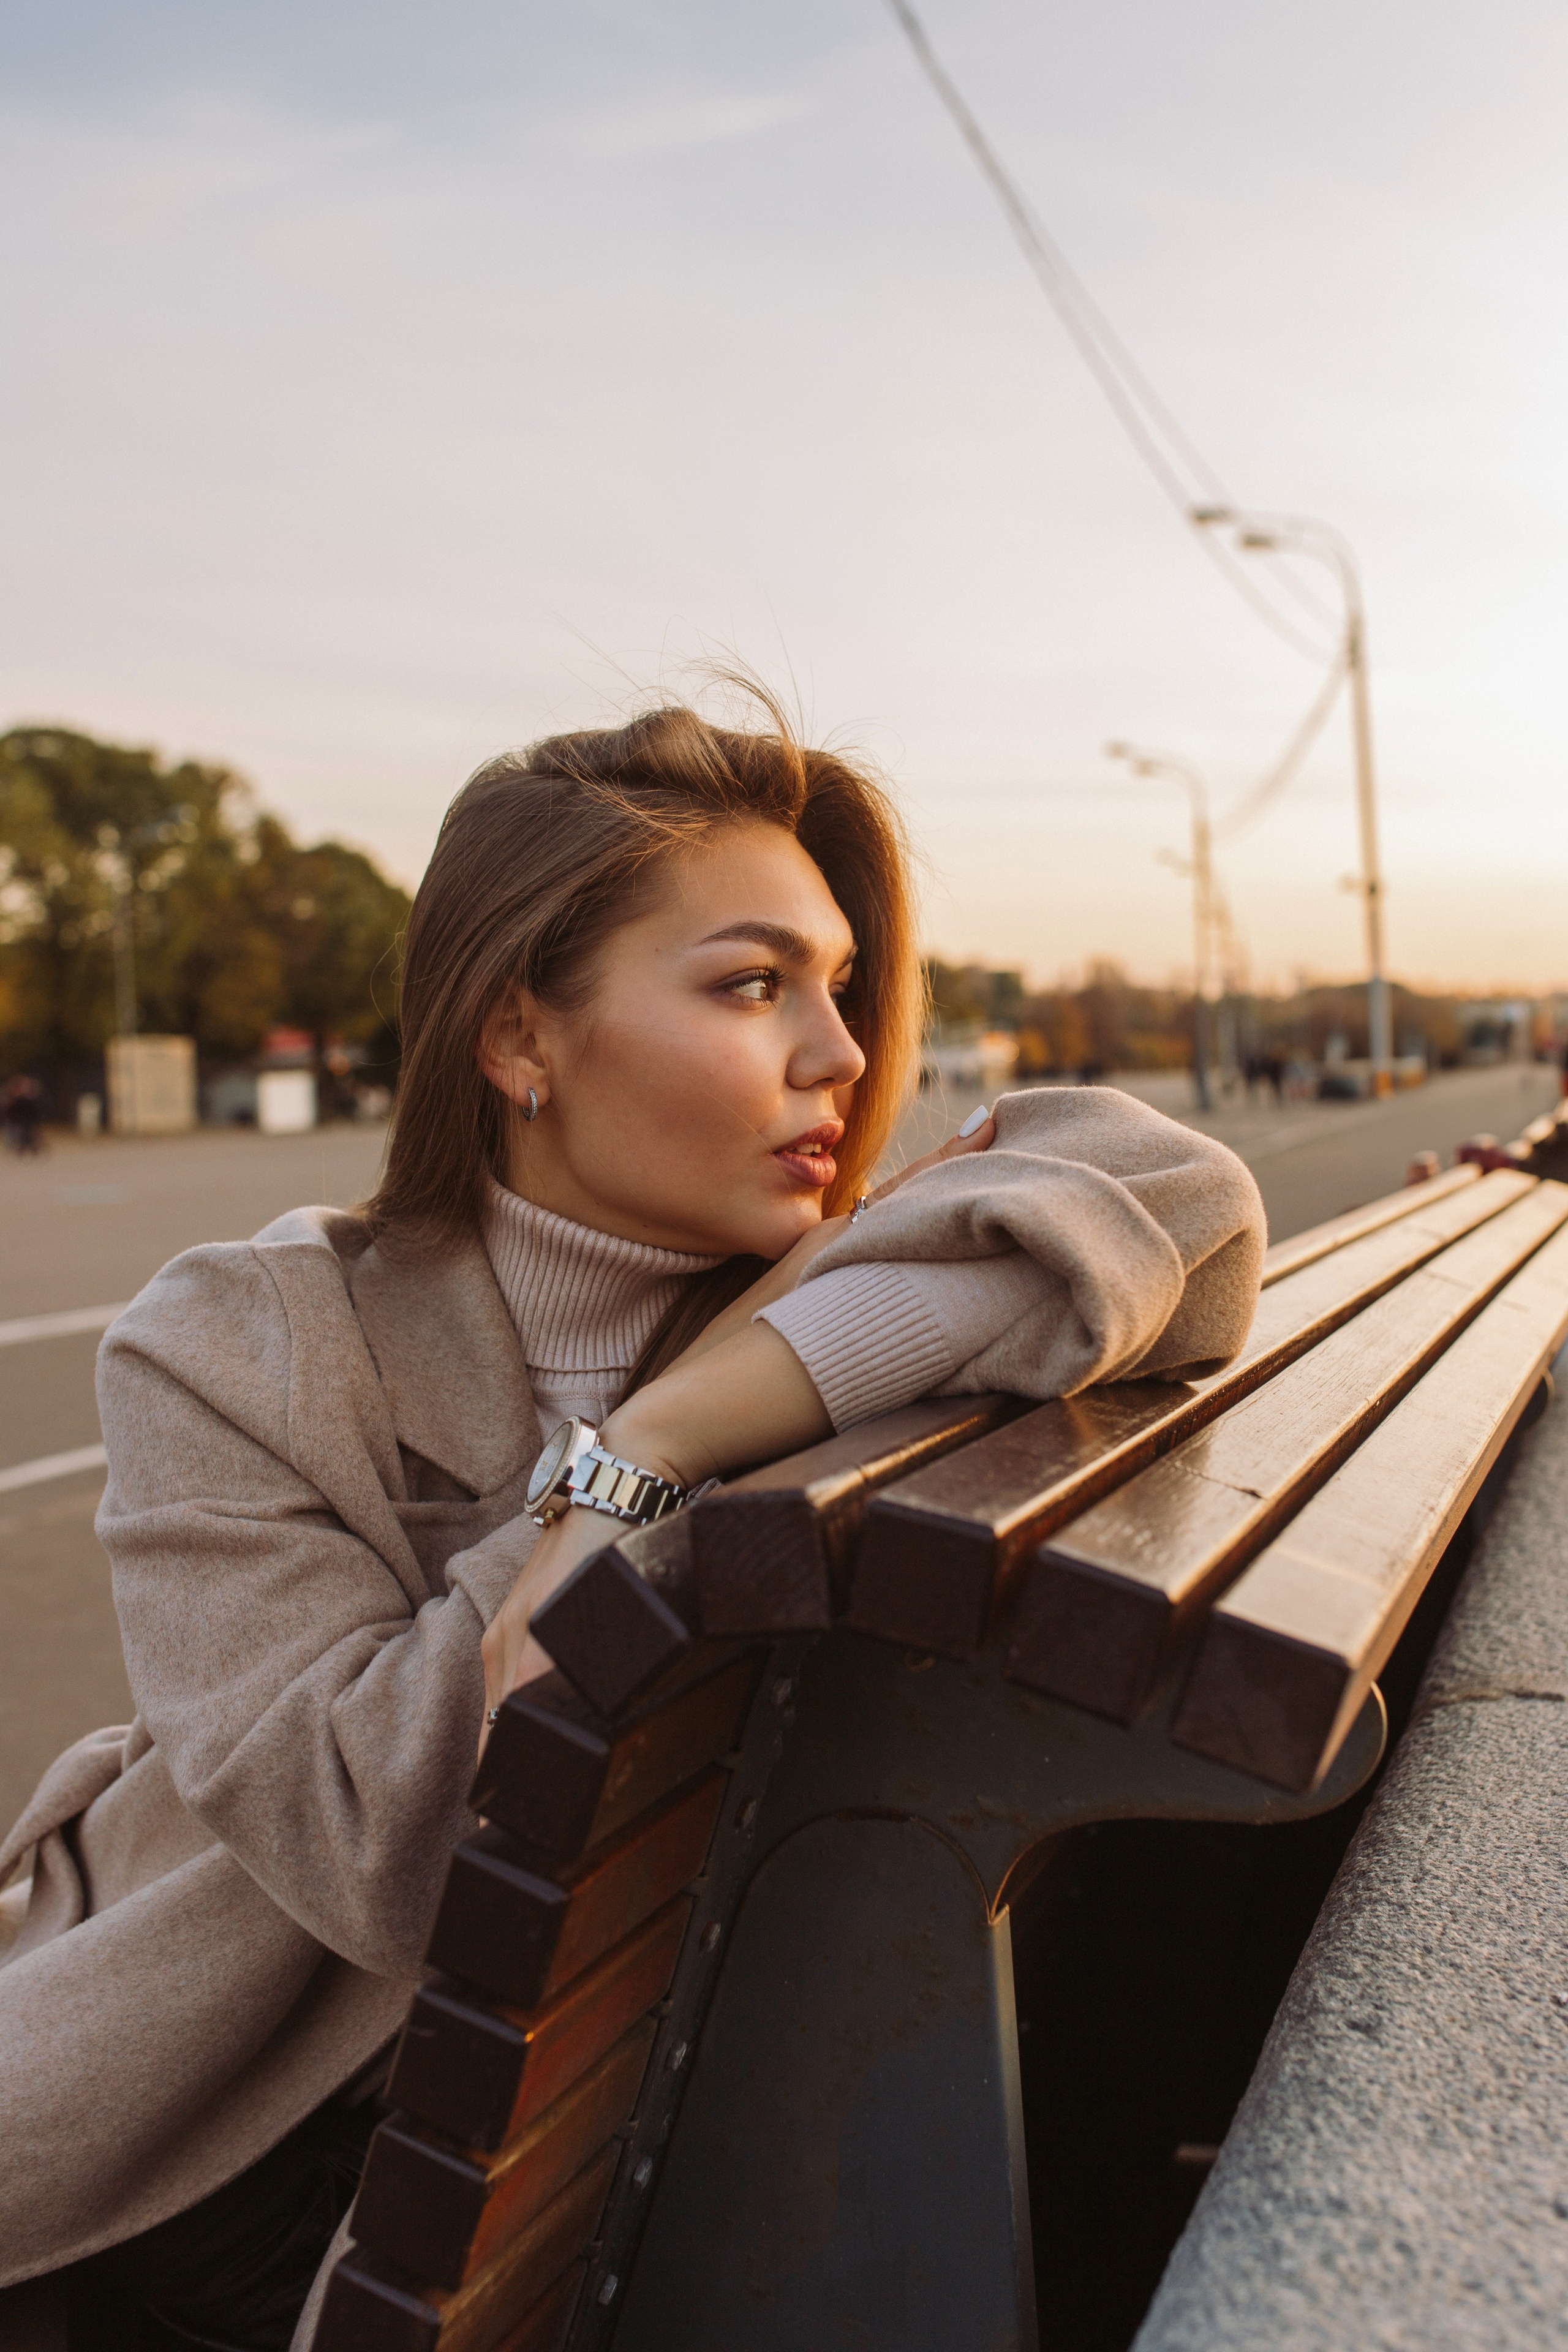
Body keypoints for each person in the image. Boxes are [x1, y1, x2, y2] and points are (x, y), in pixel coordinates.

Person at [0, 699, 1266, 2350]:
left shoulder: (796, 1328)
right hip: (170, 2161)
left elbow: (1187, 1205)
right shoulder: (236, 1343)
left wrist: (663, 1437)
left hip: (486, 2173)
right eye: (754, 985)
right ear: (519, 1040)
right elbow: (390, 1849)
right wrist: (629, 1472)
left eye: (838, 983)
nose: (845, 1053)